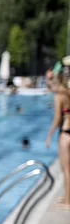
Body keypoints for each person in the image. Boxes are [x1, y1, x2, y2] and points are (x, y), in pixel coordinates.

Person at [45, 68, 70, 208]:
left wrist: (49, 136)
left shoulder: (58, 97)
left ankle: (68, 201)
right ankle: (67, 196)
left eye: (50, 87)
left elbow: (57, 118)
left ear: (54, 84)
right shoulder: (68, 93)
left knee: (65, 169)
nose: (51, 90)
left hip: (66, 134)